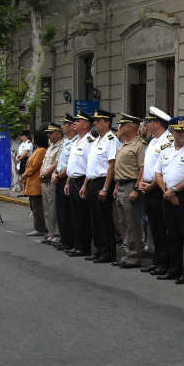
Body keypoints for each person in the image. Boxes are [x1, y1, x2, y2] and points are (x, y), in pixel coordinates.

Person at [154, 116, 184, 284]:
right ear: (172, 132)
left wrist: (174, 190)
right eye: (179, 131)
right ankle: (174, 268)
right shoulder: (166, 148)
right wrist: (166, 191)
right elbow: (158, 173)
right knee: (171, 234)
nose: (182, 134)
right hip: (166, 194)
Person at [139, 107, 174, 275]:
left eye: (150, 122)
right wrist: (142, 181)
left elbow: (163, 169)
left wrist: (151, 185)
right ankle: (157, 260)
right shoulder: (153, 141)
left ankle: (165, 262)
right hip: (148, 187)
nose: (147, 125)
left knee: (162, 226)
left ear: (157, 123)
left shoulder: (167, 141)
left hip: (159, 188)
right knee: (154, 227)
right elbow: (148, 166)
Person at [82, 110, 118, 264]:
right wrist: (85, 185)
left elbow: (112, 165)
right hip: (93, 182)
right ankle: (99, 249)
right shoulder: (97, 140)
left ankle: (107, 251)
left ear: (107, 122)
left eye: (98, 120)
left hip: (103, 182)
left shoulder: (111, 139)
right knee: (94, 218)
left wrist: (105, 188)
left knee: (104, 219)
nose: (94, 123)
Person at [112, 114, 146, 268]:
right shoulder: (124, 144)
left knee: (132, 223)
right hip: (121, 185)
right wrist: (116, 186)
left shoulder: (140, 145)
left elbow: (142, 169)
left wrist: (136, 189)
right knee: (122, 223)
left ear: (131, 127)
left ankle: (134, 255)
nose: (120, 127)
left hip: (131, 185)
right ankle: (127, 253)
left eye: (122, 125)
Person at [65, 111, 96, 257]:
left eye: (77, 121)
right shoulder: (76, 140)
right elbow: (72, 164)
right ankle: (77, 244)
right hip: (73, 180)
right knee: (75, 216)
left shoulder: (89, 141)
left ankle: (83, 247)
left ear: (85, 125)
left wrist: (84, 185)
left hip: (82, 180)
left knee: (82, 216)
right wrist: (67, 182)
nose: (74, 123)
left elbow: (89, 165)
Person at [52, 113, 77, 251]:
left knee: (68, 212)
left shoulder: (76, 141)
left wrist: (58, 175)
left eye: (65, 124)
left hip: (67, 178)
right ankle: (64, 238)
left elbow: (71, 165)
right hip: (60, 178)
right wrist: (55, 173)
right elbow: (60, 162)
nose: (62, 127)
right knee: (61, 211)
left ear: (72, 126)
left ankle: (69, 241)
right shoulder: (66, 142)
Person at [39, 124, 65, 245]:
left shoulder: (62, 145)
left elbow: (57, 163)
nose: (48, 135)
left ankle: (57, 234)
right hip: (45, 180)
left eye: (51, 133)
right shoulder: (50, 146)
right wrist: (41, 175)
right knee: (47, 208)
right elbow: (44, 162)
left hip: (51, 179)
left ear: (58, 134)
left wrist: (45, 175)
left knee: (54, 208)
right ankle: (50, 233)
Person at [21, 130, 49, 236]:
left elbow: (34, 166)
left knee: (37, 207)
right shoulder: (37, 150)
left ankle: (40, 228)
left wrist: (24, 175)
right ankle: (40, 226)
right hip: (31, 181)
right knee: (34, 206)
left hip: (36, 181)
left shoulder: (41, 151)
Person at [16, 129, 33, 193]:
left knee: (24, 175)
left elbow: (26, 152)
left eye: (22, 136)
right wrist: (17, 157)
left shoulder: (29, 143)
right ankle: (23, 191)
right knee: (21, 174)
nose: (21, 137)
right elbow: (19, 152)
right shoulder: (22, 143)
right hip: (20, 160)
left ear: (26, 136)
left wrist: (20, 158)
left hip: (25, 159)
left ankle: (26, 191)